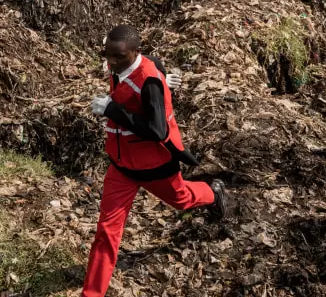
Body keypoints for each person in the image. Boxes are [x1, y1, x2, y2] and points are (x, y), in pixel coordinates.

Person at [83, 25, 230, 297]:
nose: (111, 63)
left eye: (118, 57)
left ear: (134, 53)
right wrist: (164, 76)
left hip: (154, 166)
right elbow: (152, 67)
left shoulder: (149, 81)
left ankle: (213, 192)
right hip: (121, 166)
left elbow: (157, 131)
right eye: (108, 56)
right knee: (106, 231)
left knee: (182, 199)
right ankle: (92, 294)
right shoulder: (127, 64)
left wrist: (112, 109)